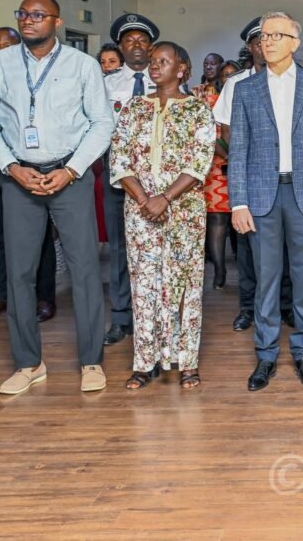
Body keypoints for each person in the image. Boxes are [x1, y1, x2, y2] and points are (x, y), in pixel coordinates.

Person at [0, 0, 114, 395]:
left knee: (85, 268)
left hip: (70, 174)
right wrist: (11, 167)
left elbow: (101, 123)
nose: (28, 20)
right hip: (18, 175)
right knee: (19, 271)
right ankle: (28, 363)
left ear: (57, 21)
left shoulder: (82, 66)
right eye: (23, 14)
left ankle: (91, 360)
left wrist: (72, 169)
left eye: (38, 15)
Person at [229, 11, 303, 392]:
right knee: (266, 278)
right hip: (261, 195)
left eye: (277, 35)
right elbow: (238, 150)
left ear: (294, 42)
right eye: (264, 36)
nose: (268, 41)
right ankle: (265, 355)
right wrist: (238, 202)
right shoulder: (245, 89)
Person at [110, 42, 215, 390]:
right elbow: (119, 158)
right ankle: (145, 361)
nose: (155, 67)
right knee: (144, 285)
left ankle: (186, 361)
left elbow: (199, 161)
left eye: (164, 61)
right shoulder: (134, 109)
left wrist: (166, 198)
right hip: (139, 211)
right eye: (153, 62)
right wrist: (143, 198)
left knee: (184, 284)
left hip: (184, 211)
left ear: (182, 68)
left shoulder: (198, 110)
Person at [0, 27, 57, 323]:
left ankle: (44, 298)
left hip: (28, 172)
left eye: (7, 44)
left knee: (39, 237)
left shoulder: (31, 83)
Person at [214, 19, 293, 332]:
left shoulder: (292, 80)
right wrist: (243, 160)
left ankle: (285, 305)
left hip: (285, 177)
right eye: (259, 42)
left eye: (272, 39)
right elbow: (227, 128)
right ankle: (248, 306)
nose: (266, 46)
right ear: (251, 47)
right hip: (249, 176)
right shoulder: (236, 84)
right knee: (247, 247)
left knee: (285, 246)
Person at [102, 13, 161, 346]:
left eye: (142, 40)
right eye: (129, 40)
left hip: (159, 185)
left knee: (156, 250)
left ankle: (152, 315)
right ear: (120, 46)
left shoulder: (165, 80)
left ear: (151, 46)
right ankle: (121, 317)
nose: (136, 46)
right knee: (120, 250)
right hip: (119, 182)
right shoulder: (107, 84)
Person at [193, 59, 238, 290]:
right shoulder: (208, 100)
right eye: (225, 75)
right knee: (218, 220)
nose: (229, 78)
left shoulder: (243, 97)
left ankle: (245, 269)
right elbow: (206, 134)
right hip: (216, 167)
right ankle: (220, 269)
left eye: (233, 75)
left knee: (242, 221)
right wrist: (227, 155)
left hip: (241, 167)